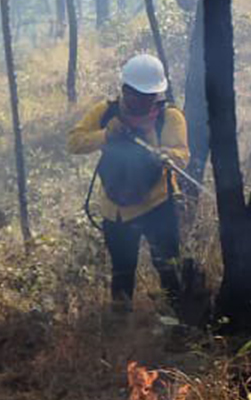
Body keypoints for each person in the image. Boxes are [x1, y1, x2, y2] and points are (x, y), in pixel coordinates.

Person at [68, 53, 190, 311]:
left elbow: (182, 155)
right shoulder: (105, 113)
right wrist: (106, 134)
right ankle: (122, 328)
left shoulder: (169, 118)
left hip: (158, 206)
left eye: (148, 96)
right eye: (136, 94)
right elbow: (74, 143)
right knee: (122, 271)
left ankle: (180, 317)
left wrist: (167, 156)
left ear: (157, 94)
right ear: (124, 89)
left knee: (168, 266)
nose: (142, 101)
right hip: (116, 212)